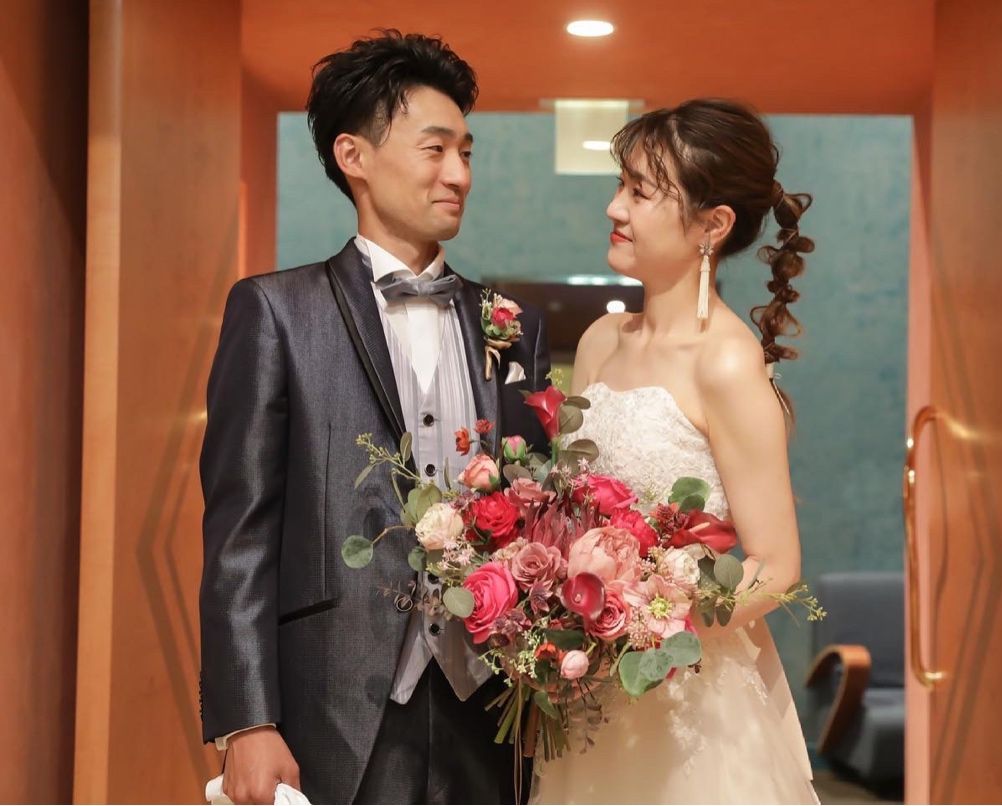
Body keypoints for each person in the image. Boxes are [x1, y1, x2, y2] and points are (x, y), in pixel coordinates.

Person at [199, 31, 549, 804]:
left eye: (466, 152)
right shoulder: (277, 312)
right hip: (334, 704)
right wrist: (246, 722)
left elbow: (535, 519)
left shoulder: (512, 326)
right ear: (353, 156)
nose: (458, 174)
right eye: (434, 149)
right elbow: (239, 532)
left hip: (487, 708)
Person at [531, 98, 820, 804]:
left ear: (711, 225)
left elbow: (776, 567)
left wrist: (648, 625)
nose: (614, 207)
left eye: (639, 192)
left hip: (686, 702)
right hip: (589, 699)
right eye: (620, 184)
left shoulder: (726, 362)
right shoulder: (600, 341)